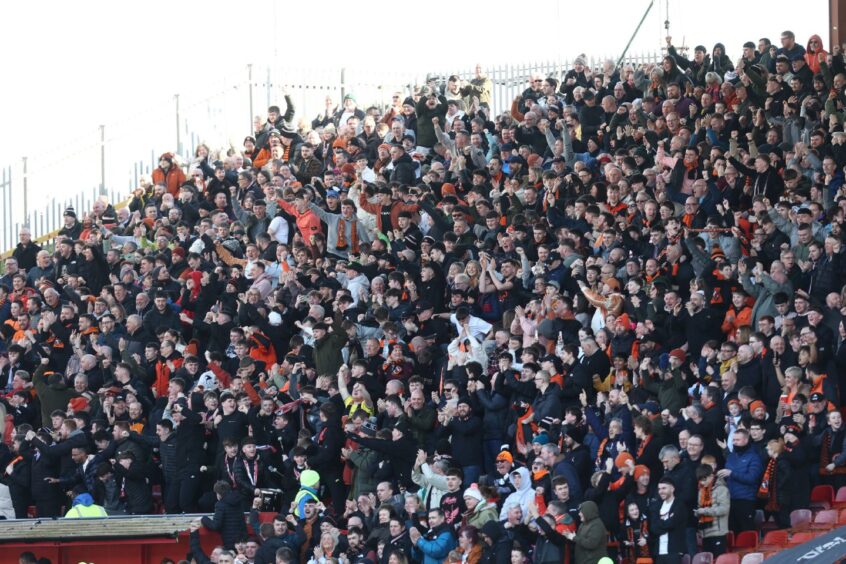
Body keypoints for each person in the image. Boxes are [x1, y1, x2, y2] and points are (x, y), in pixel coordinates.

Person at [202, 481, 247, 550]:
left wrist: (204, 519)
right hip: (243, 539)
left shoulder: (220, 504)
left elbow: (215, 525)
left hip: (230, 541)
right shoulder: (238, 501)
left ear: (219, 494)